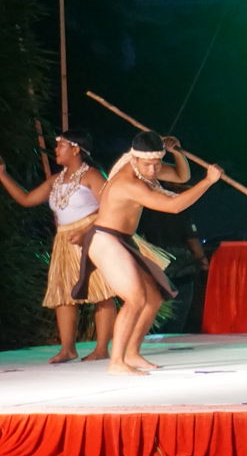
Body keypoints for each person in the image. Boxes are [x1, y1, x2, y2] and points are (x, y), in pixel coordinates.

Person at [74, 131, 223, 375]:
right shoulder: (129, 182)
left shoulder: (145, 169)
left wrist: (176, 153)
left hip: (123, 240)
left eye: (157, 164)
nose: (154, 170)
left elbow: (181, 176)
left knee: (153, 297)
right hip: (106, 240)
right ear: (135, 159)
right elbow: (174, 206)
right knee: (135, 299)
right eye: (149, 165)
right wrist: (208, 181)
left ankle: (131, 353)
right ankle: (116, 362)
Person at [0, 129, 117, 364]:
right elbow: (26, 200)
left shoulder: (92, 175)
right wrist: (2, 175)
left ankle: (102, 348)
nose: (56, 150)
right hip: (64, 240)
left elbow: (112, 207)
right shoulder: (55, 180)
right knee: (63, 295)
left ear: (76, 149)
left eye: (60, 145)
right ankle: (67, 349)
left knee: (101, 293)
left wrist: (85, 230)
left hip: (91, 237)